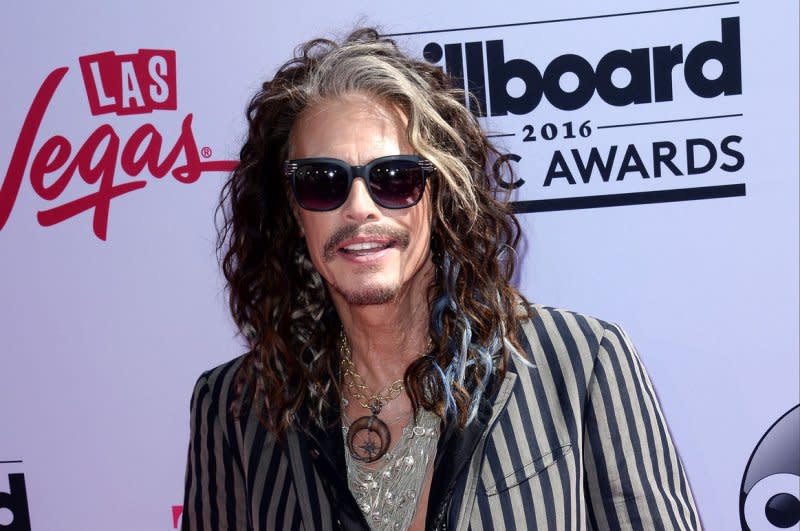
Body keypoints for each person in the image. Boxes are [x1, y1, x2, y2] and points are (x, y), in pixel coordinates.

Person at [181, 28, 702, 531]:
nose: (359, 208)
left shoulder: (580, 363)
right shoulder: (234, 405)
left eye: (394, 178)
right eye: (322, 183)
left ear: (441, 192)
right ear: (295, 213)